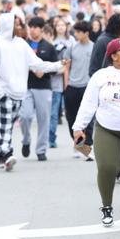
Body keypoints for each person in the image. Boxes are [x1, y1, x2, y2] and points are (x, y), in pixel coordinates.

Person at [0, 14, 65, 170]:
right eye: (16, 24)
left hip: (19, 93)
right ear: (8, 26)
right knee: (6, 125)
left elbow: (37, 64)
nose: (19, 27)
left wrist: (58, 65)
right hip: (4, 92)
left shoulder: (21, 43)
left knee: (3, 125)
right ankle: (7, 155)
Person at [72, 38, 120, 227]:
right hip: (106, 128)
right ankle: (106, 207)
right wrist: (78, 127)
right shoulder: (101, 76)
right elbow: (89, 102)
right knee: (107, 167)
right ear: (114, 56)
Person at [19, 16, 59, 162]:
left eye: (36, 27)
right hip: (26, 86)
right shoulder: (24, 46)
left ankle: (41, 149)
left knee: (44, 118)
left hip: (43, 87)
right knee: (25, 115)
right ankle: (26, 139)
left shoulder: (49, 47)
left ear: (42, 29)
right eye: (31, 27)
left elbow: (56, 67)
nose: (33, 30)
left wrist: (44, 71)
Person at [63, 21, 95, 160]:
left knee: (87, 119)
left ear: (86, 33)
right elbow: (66, 67)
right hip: (72, 87)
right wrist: (66, 84)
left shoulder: (94, 47)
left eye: (78, 32)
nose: (76, 35)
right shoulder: (71, 47)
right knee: (71, 119)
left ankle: (87, 147)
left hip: (87, 86)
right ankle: (78, 144)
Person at [49, 16, 75, 148]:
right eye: (58, 25)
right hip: (55, 79)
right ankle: (51, 138)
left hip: (70, 78)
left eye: (62, 25)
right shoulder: (51, 41)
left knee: (71, 111)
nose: (60, 27)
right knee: (54, 111)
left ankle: (77, 141)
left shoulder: (71, 41)